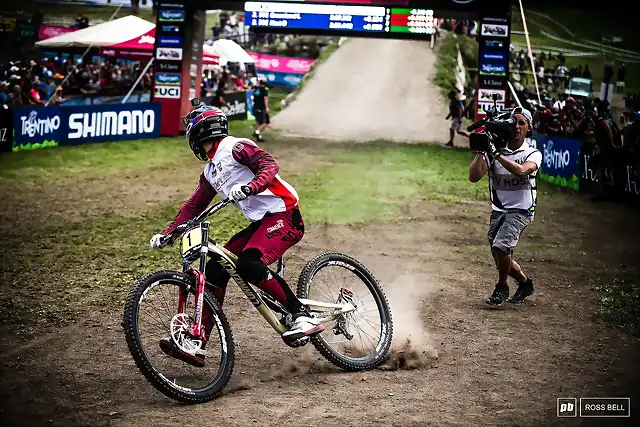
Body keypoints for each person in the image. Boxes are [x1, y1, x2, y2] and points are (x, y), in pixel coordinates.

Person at [149, 104, 324, 367]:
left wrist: (251, 186)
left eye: (191, 130)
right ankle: (197, 343)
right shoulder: (210, 171)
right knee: (216, 269)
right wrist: (169, 234)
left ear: (201, 131)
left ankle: (301, 314)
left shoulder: (235, 147)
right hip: (261, 222)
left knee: (249, 264)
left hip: (284, 214)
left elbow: (268, 164)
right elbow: (194, 207)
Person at [468, 107, 542, 306]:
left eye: (522, 123)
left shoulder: (532, 153)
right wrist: (485, 150)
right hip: (499, 209)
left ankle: (502, 287)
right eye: (513, 122)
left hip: (522, 210)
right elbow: (473, 176)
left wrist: (496, 153)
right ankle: (525, 283)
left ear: (528, 129)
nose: (516, 127)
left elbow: (521, 171)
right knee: (500, 253)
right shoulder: (495, 150)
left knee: (502, 247)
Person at [251, 77, 270, 143]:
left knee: (259, 123)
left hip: (255, 107)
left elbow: (253, 99)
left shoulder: (256, 89)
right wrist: (267, 107)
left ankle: (259, 137)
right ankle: (256, 132)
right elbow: (266, 99)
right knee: (265, 122)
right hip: (261, 108)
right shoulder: (264, 90)